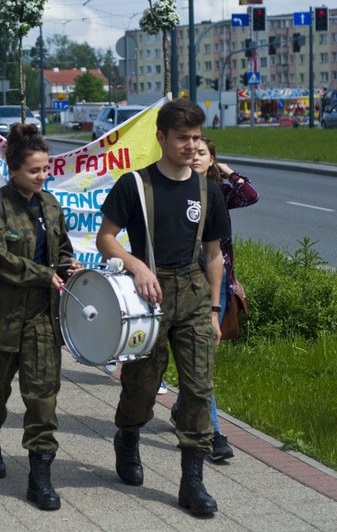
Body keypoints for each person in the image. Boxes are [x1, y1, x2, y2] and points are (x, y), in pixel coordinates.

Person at [95, 99, 230, 516]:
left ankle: (192, 482)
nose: (191, 146)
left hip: (192, 293)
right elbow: (106, 237)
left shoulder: (208, 190)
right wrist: (135, 265)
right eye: (182, 138)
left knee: (198, 387)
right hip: (146, 294)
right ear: (161, 138)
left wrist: (212, 311)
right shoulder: (133, 184)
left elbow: (213, 255)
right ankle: (128, 435)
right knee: (141, 385)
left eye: (196, 138)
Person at [0, 124, 81, 511]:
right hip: (0, 317)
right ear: (13, 168)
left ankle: (40, 478)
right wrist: (41, 273)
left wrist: (68, 265)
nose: (42, 175)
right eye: (34, 170)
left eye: (45, 168)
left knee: (43, 399)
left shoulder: (49, 204)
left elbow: (62, 247)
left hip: (42, 319)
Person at [169, 136, 259, 462]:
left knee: (203, 356)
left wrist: (220, 167)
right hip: (183, 282)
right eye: (192, 152)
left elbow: (250, 194)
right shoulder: (176, 190)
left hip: (217, 283)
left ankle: (184, 406)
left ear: (211, 160)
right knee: (202, 358)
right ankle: (214, 433)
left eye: (203, 153)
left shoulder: (219, 193)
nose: (195, 157)